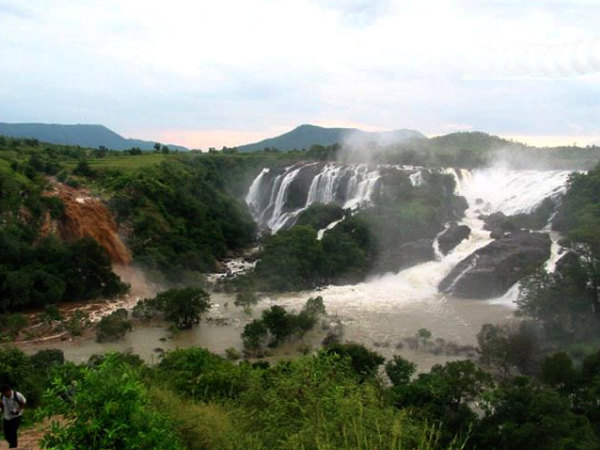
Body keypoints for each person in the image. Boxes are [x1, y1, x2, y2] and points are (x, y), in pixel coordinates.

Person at [0, 384, 26, 449]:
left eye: (6, 392)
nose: (5, 394)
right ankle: (11, 442)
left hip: (16, 416)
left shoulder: (17, 395)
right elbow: (2, 405)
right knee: (6, 434)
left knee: (13, 431)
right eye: (4, 393)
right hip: (7, 416)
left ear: (9, 391)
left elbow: (23, 403)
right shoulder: (2, 396)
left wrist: (18, 410)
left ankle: (13, 446)